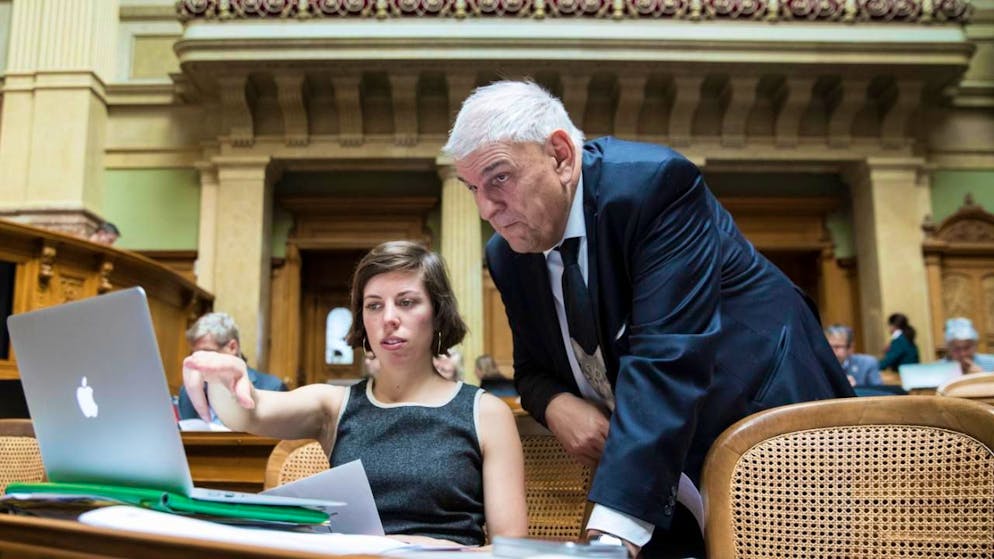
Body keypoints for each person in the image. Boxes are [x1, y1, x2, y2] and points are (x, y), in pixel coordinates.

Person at [444, 80, 854, 558]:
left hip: (770, 424)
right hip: (656, 458)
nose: (485, 208)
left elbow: (668, 355)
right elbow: (533, 369)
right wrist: (556, 402)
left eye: (498, 178)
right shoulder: (510, 256)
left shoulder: (652, 185)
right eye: (472, 187)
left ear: (560, 155)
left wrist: (612, 534)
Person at [183, 241, 526, 546]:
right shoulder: (334, 404)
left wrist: (431, 549)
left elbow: (512, 550)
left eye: (407, 302)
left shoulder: (486, 413)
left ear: (437, 314)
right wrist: (222, 376)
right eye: (374, 305)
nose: (388, 318)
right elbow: (249, 411)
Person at [177, 312, 287, 422]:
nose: (199, 362)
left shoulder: (273, 388)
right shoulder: (186, 392)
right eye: (195, 354)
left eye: (207, 353)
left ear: (232, 347)